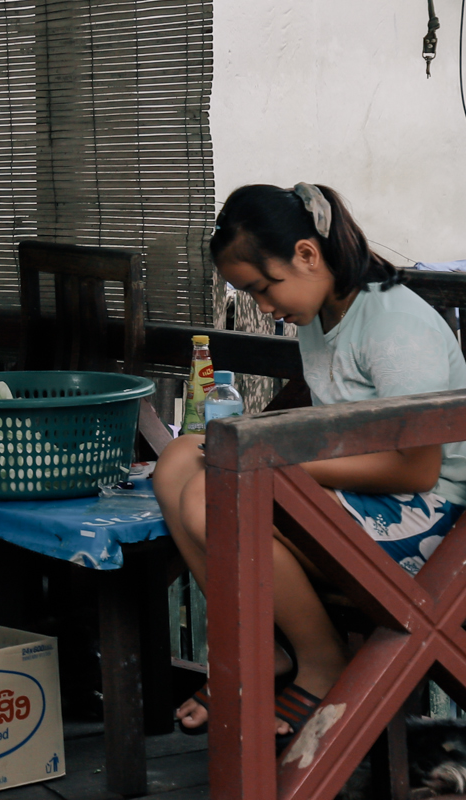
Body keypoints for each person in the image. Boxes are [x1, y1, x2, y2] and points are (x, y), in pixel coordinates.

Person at [155, 183, 466, 741]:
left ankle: (321, 662)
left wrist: (281, 465)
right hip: (364, 496)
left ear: (306, 253)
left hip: (432, 521)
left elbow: (416, 470)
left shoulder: (396, 326)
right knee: (177, 461)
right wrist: (276, 459)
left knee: (213, 500)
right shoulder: (321, 317)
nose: (266, 308)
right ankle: (259, 648)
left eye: (265, 288)